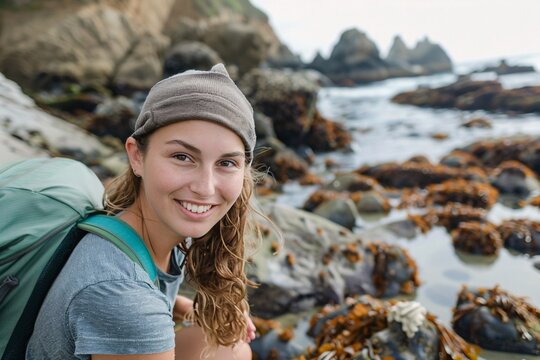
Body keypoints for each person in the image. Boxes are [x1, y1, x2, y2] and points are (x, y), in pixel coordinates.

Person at [26, 64, 259, 359]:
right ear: (137, 156)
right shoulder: (122, 294)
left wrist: (181, 307)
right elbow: (122, 298)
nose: (205, 187)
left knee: (228, 347)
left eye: (227, 163)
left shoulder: (141, 226)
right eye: (183, 156)